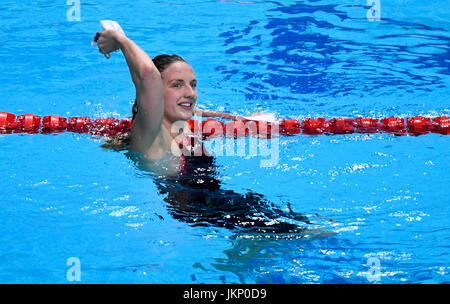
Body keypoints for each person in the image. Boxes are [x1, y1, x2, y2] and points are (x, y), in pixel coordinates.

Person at [94, 28, 259, 175]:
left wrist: (245, 120)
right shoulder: (151, 129)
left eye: (193, 85)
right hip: (196, 209)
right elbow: (148, 74)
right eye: (177, 85)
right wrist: (119, 38)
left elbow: (199, 113)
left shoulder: (179, 122)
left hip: (223, 203)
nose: (190, 93)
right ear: (156, 93)